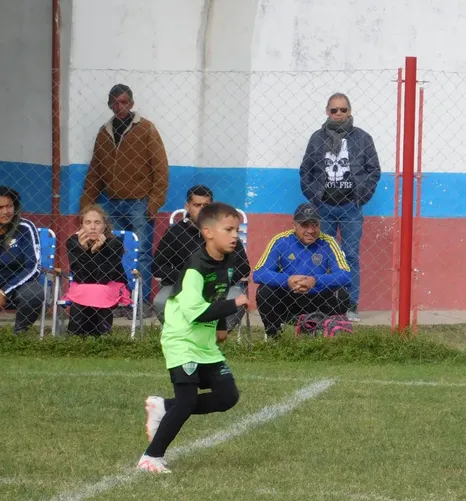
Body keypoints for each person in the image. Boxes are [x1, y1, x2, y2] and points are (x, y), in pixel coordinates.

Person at [138, 203, 249, 474]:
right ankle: (151, 457)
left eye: (238, 229)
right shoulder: (194, 268)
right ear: (208, 232)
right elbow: (195, 312)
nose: (236, 235)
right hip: (182, 338)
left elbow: (218, 293)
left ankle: (162, 407)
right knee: (186, 401)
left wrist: (221, 324)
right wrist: (235, 305)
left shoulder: (230, 260)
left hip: (204, 342)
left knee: (227, 397)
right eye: (229, 229)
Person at [81, 84, 169, 304]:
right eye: (114, 102)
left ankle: (142, 303)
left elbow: (160, 168)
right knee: (115, 253)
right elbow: (95, 172)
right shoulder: (105, 132)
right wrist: (86, 207)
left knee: (142, 253)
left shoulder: (146, 129)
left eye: (123, 102)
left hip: (140, 203)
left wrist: (154, 203)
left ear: (131, 103)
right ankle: (122, 300)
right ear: (109, 104)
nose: (118, 106)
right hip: (113, 203)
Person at [299, 92, 381, 321]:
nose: (338, 114)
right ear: (327, 112)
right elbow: (305, 170)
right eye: (334, 110)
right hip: (323, 207)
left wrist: (361, 197)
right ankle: (320, 304)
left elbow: (374, 170)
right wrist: (315, 197)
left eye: (343, 110)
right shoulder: (317, 138)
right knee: (320, 255)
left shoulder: (362, 138)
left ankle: (350, 305)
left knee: (350, 256)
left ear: (350, 111)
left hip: (350, 208)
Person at [153, 185, 250, 329]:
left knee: (235, 300)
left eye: (206, 205)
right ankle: (183, 333)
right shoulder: (175, 233)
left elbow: (244, 267)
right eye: (197, 205)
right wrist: (186, 280)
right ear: (187, 206)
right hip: (182, 286)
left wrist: (220, 280)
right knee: (161, 301)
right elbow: (158, 266)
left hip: (220, 287)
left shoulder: (224, 233)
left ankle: (217, 335)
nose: (202, 209)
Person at [252, 202, 352, 338]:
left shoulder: (329, 242)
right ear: (294, 225)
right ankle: (274, 337)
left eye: (315, 225)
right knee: (265, 291)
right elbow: (259, 273)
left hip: (317, 298)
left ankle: (329, 333)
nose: (311, 230)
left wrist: (315, 280)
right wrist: (287, 280)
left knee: (340, 294)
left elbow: (346, 275)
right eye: (305, 225)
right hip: (289, 298)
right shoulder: (281, 240)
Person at [65, 205, 128, 336]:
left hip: (111, 286)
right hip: (84, 287)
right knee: (84, 290)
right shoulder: (73, 242)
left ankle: (103, 338)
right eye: (88, 223)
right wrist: (85, 251)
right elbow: (82, 278)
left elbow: (103, 278)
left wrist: (102, 249)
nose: (92, 227)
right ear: (82, 226)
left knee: (100, 290)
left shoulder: (115, 243)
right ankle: (74, 340)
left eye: (97, 222)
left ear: (104, 226)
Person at [0, 186, 43, 333]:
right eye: (0, 207)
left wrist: (4, 291)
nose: (6, 212)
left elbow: (33, 267)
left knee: (34, 293)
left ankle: (19, 335)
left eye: (9, 206)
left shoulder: (25, 228)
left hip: (19, 284)